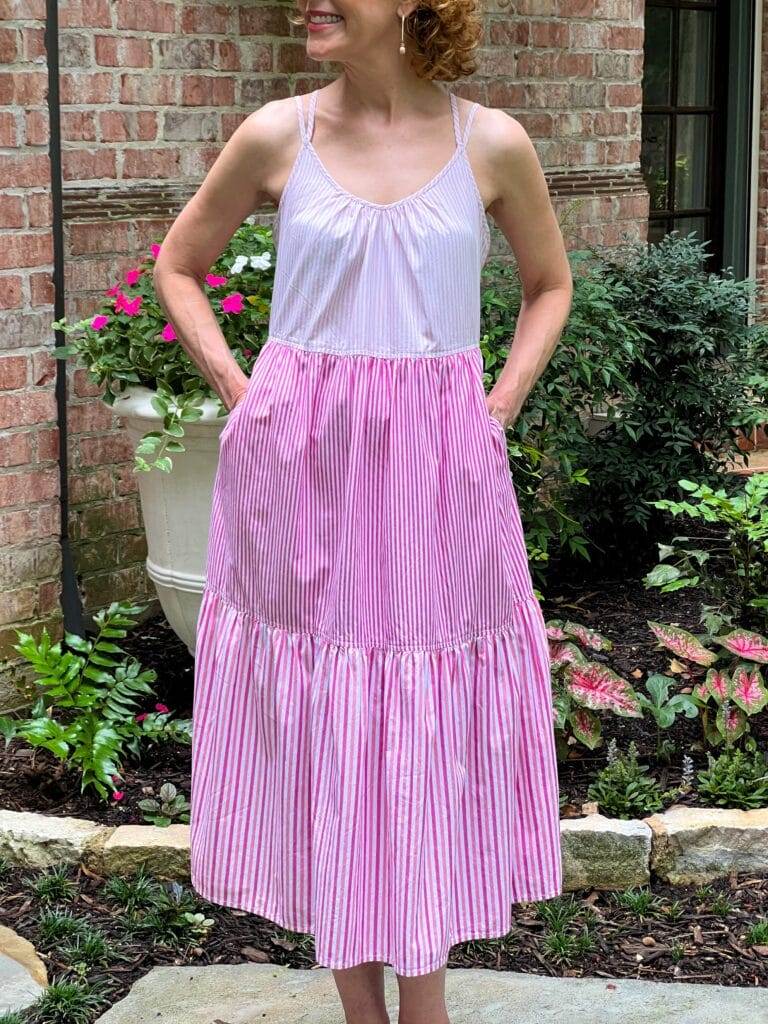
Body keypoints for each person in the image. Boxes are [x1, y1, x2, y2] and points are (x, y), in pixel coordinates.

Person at [154, 2, 573, 1021]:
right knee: (330, 711)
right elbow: (179, 266)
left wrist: (497, 405)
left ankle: (420, 1003)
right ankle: (361, 1010)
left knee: (417, 716)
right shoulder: (276, 134)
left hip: (439, 476)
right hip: (303, 473)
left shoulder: (494, 144)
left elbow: (549, 285)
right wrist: (242, 391)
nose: (312, 2)